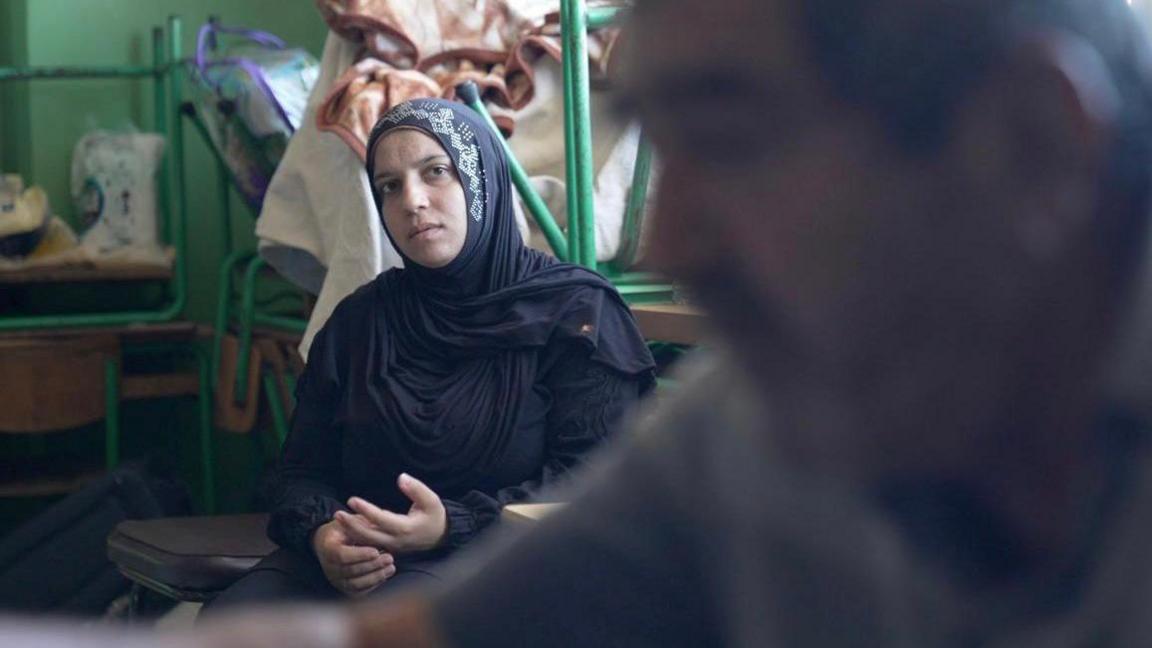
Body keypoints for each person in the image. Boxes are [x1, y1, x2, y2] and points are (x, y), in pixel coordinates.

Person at [186, 0, 1152, 644]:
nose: (666, 244)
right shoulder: (761, 421)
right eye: (665, 145)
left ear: (1027, 149)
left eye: (731, 139)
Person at [207, 98, 656, 609]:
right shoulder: (361, 320)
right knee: (232, 620)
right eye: (389, 186)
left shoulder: (576, 311)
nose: (412, 201)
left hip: (503, 556)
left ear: (481, 178)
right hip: (352, 560)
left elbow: (597, 483)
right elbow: (299, 473)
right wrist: (323, 536)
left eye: (436, 172)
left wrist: (451, 524)